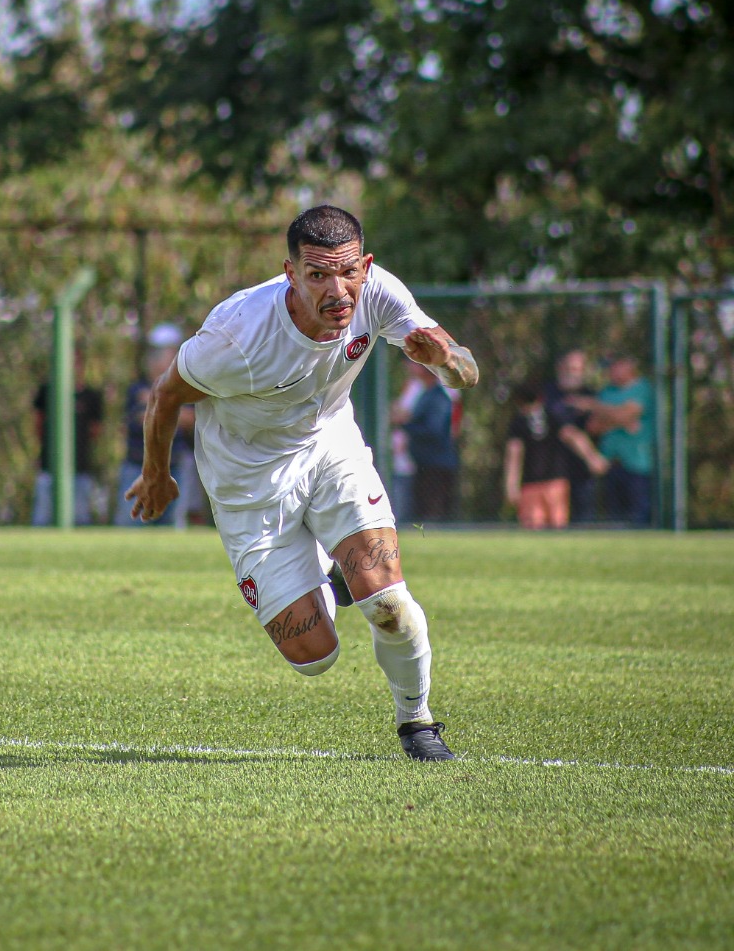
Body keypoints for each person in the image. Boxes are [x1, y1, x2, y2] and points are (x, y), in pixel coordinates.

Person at [125, 204, 479, 761]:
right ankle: (326, 571)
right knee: (314, 655)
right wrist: (156, 474)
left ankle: (418, 724)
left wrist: (448, 362)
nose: (337, 291)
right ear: (290, 274)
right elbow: (166, 395)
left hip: (329, 448)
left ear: (365, 266)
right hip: (248, 482)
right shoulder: (237, 336)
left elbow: (464, 372)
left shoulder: (381, 294)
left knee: (388, 600)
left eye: (347, 273)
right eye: (317, 275)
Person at [114, 323, 195, 528]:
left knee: (173, 525)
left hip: (176, 466)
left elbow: (192, 420)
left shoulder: (187, 389)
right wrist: (171, 411)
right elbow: (140, 419)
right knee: (131, 524)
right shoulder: (136, 389)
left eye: (168, 354)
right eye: (157, 355)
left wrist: (158, 407)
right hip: (136, 466)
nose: (161, 361)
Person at [504, 379, 608, 529]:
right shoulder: (553, 415)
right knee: (557, 529)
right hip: (556, 483)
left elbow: (514, 454)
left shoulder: (518, 422)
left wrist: (511, 485)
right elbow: (573, 436)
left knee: (533, 528)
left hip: (530, 484)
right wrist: (592, 458)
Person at [32, 350, 104, 526]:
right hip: (49, 469)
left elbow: (96, 431)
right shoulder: (46, 391)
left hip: (80, 469)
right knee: (42, 521)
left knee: (80, 521)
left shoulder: (91, 396)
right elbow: (37, 424)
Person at [587, 354, 654, 526]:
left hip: (638, 464)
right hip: (610, 463)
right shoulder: (606, 392)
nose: (612, 371)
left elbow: (626, 414)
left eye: (616, 366)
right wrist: (620, 420)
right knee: (614, 519)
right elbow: (594, 426)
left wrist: (594, 406)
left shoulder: (643, 389)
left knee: (638, 518)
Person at [392, 361, 460, 522]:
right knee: (423, 513)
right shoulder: (425, 394)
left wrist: (405, 424)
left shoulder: (438, 397)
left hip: (436, 465)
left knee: (433, 514)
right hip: (424, 464)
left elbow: (433, 430)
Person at [542, 349, 600, 523]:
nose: (571, 372)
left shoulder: (591, 395)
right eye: (568, 367)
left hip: (583, 474)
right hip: (553, 471)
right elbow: (567, 432)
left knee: (584, 519)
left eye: (576, 368)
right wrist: (593, 458)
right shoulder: (548, 394)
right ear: (560, 367)